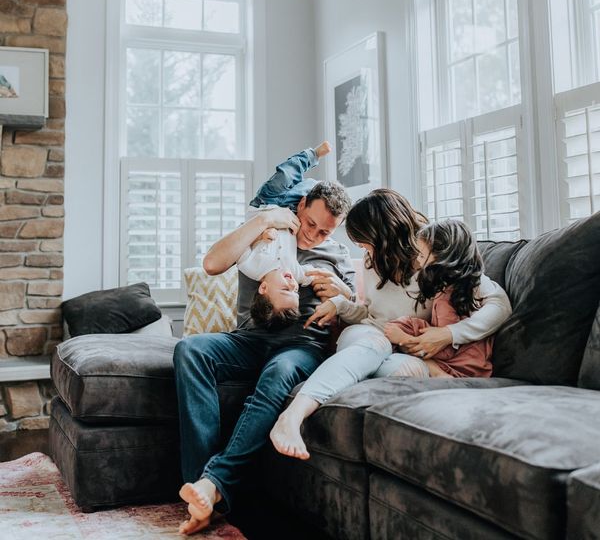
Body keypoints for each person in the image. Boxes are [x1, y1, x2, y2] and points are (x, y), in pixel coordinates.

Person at [173, 156, 355, 534]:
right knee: (190, 351)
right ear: (300, 206)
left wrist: (342, 293)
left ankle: (213, 484)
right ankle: (200, 489)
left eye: (325, 232)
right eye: (311, 224)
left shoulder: (337, 254)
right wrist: (261, 221)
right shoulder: (266, 232)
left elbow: (357, 311)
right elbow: (211, 264)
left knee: (279, 372)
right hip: (249, 339)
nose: (314, 236)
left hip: (301, 346)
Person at [269, 189, 512, 460]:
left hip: (405, 351)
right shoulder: (372, 261)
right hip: (370, 336)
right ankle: (293, 415)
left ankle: (328, 391)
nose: (362, 250)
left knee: (398, 368)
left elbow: (500, 305)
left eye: (365, 242)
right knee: (376, 343)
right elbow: (370, 316)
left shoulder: (432, 256)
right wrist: (340, 304)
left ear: (383, 235)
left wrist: (447, 334)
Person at [382, 218, 494, 379]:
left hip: (461, 369)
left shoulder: (446, 299)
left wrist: (404, 339)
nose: (418, 261)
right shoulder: (465, 288)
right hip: (477, 365)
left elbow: (445, 351)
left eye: (421, 255)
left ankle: (439, 375)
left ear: (441, 257)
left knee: (400, 340)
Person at [237, 142, 332, 328]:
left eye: (284, 290)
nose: (292, 285)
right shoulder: (295, 273)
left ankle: (313, 155)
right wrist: (340, 291)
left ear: (263, 288)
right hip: (289, 211)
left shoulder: (251, 267)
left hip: (266, 202)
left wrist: (260, 236)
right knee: (313, 189)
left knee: (287, 173)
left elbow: (241, 239)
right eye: (295, 292)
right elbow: (315, 275)